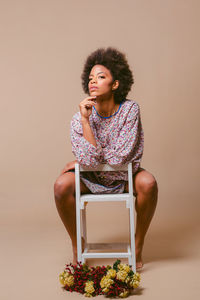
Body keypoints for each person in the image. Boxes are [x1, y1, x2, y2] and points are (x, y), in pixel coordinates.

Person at [54, 47, 158, 270]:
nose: (93, 81)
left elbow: (122, 156)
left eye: (101, 77)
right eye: (91, 78)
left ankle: (137, 246)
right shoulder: (78, 118)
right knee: (61, 185)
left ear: (116, 84)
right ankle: (77, 246)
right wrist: (85, 121)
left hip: (124, 176)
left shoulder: (130, 110)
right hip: (90, 178)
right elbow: (92, 162)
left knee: (148, 183)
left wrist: (81, 163)